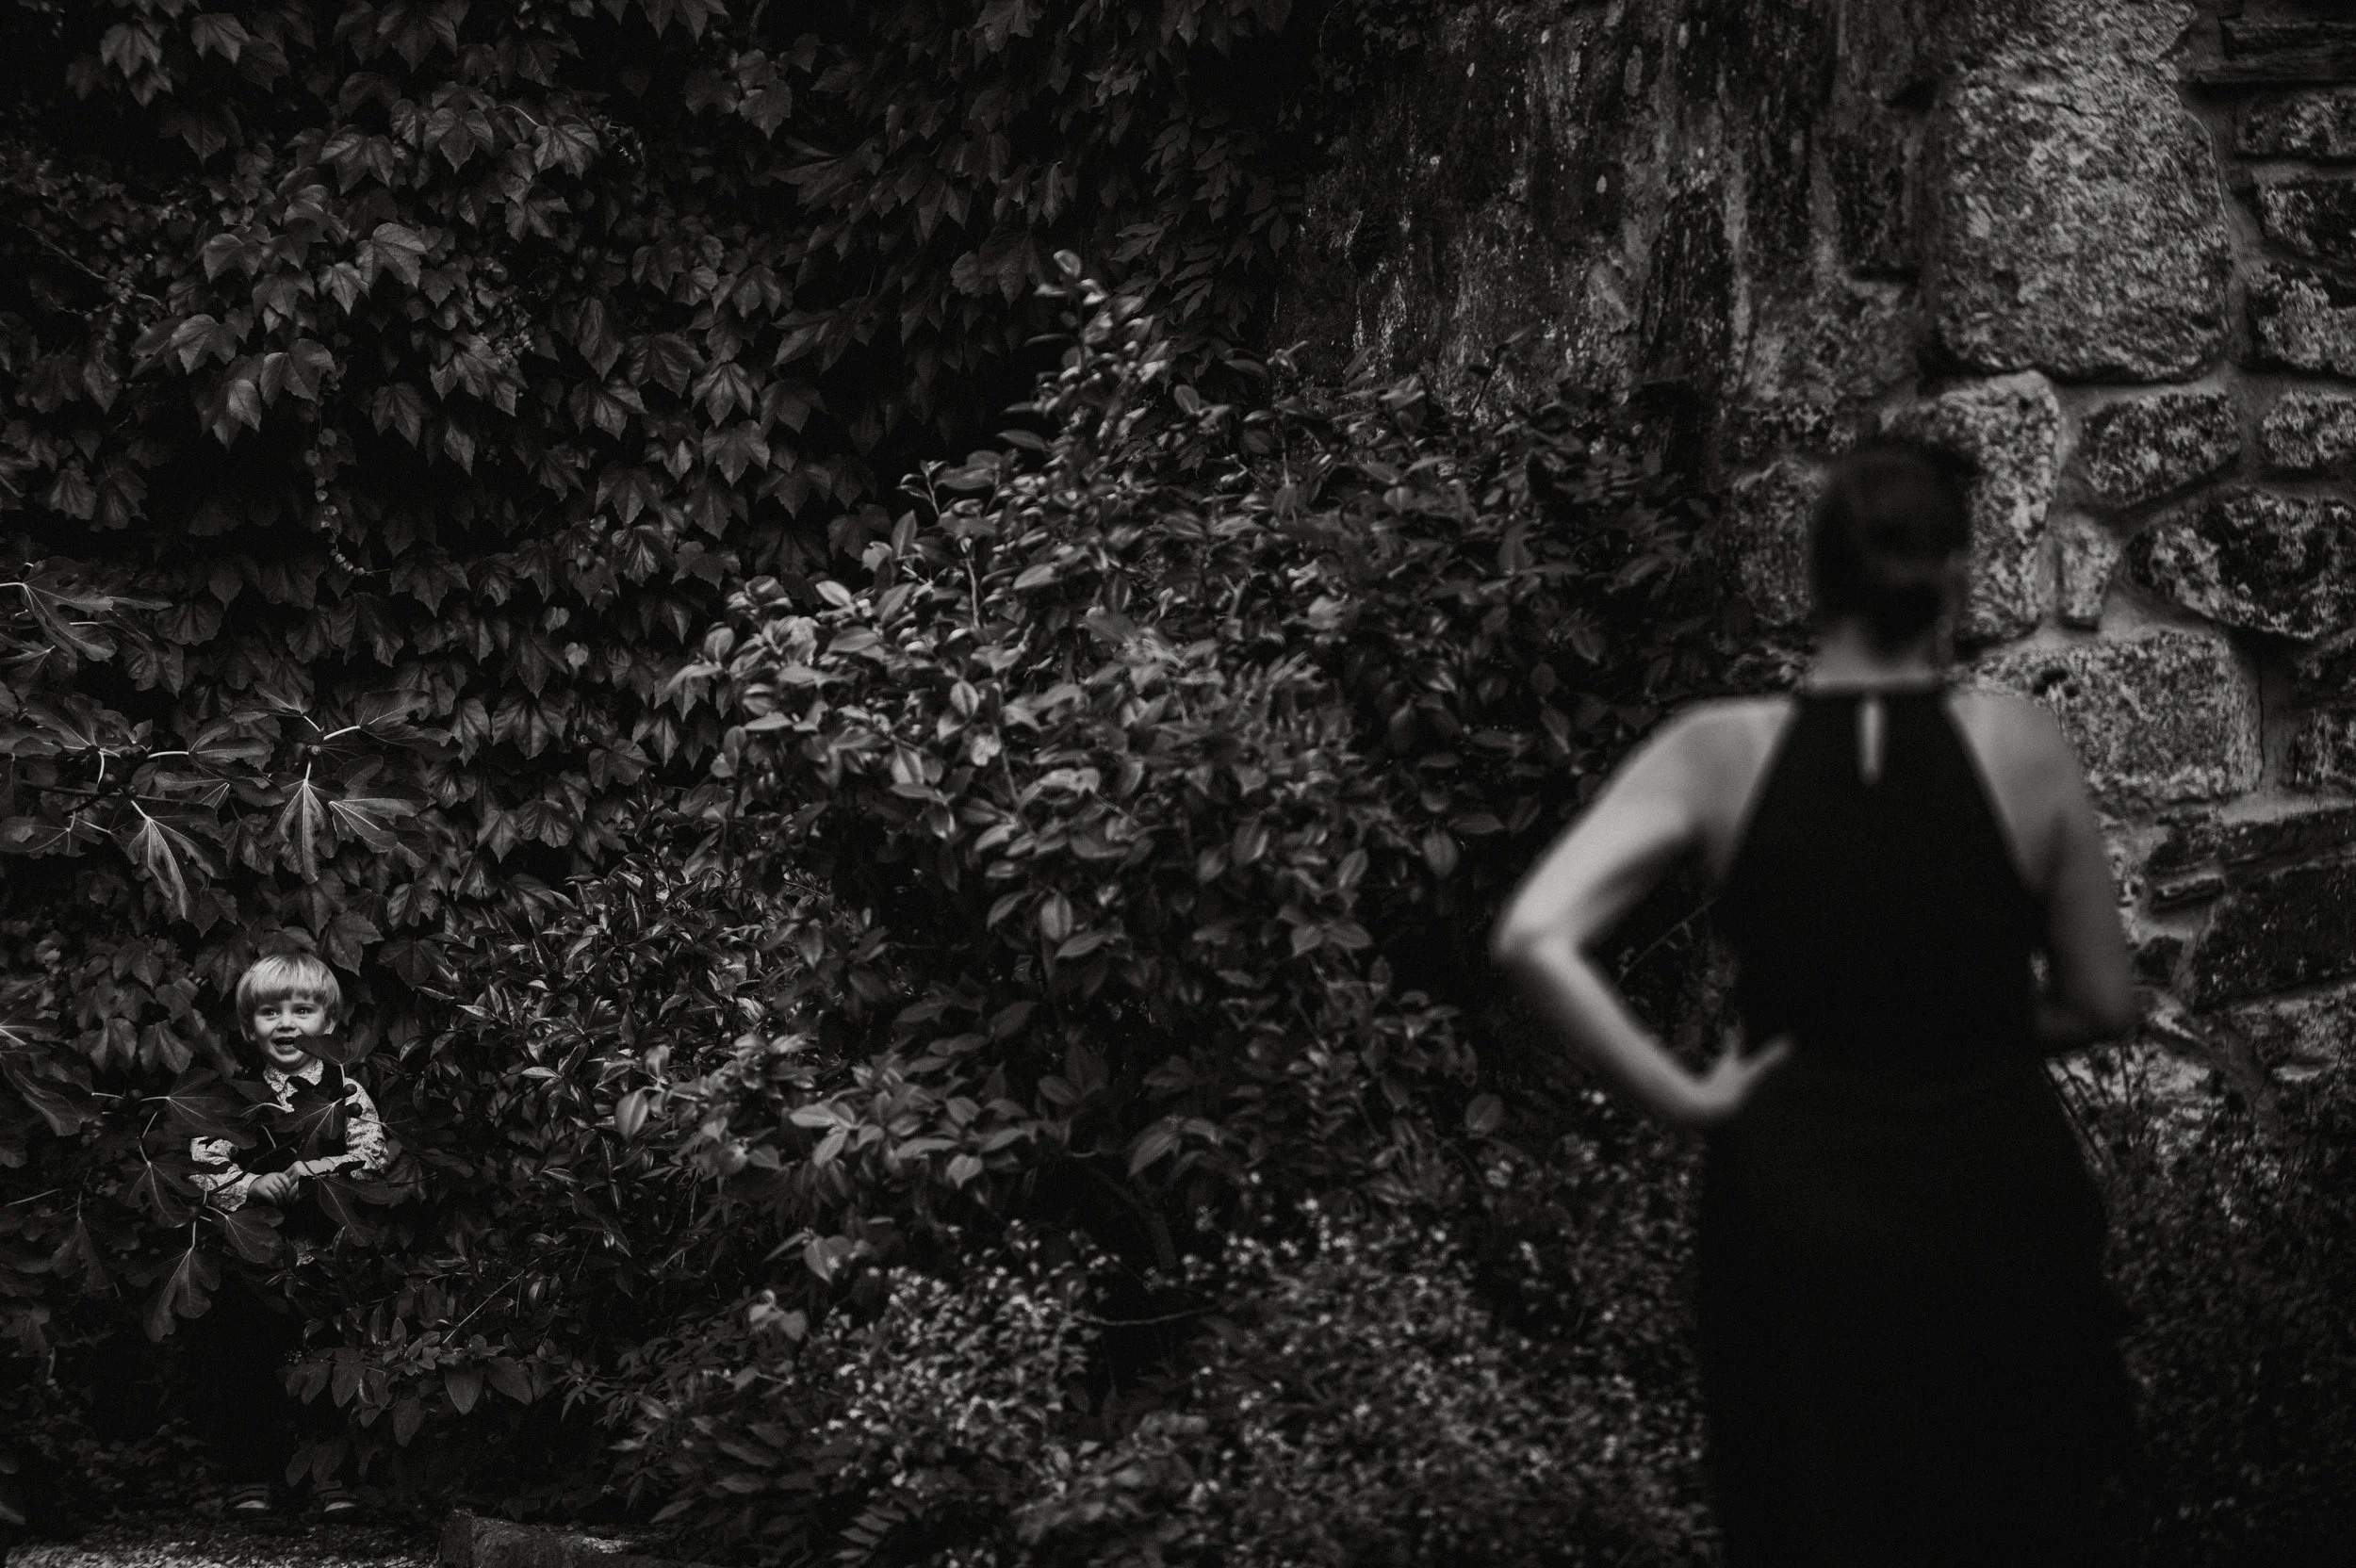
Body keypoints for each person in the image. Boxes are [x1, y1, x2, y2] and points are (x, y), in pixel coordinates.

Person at [1490, 440, 2140, 1566]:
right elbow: (2100, 998)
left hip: (1798, 1215)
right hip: (1993, 1200)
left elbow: (1533, 934)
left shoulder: (1717, 752)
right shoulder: (2019, 746)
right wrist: (1970, 1023)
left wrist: (1686, 1094)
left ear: (1815, 576)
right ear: (1953, 578)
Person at [188, 953, 389, 1518]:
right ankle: (251, 1475)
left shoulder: (345, 1090)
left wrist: (314, 1168)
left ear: (329, 1022)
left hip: (327, 1254)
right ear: (249, 1026)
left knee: (328, 1361)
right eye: (270, 1012)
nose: (286, 1023)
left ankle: (328, 1478)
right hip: (252, 1256)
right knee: (248, 1363)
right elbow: (203, 1164)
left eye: (302, 1010)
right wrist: (251, 1184)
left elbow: (373, 1155)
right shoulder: (235, 1094)